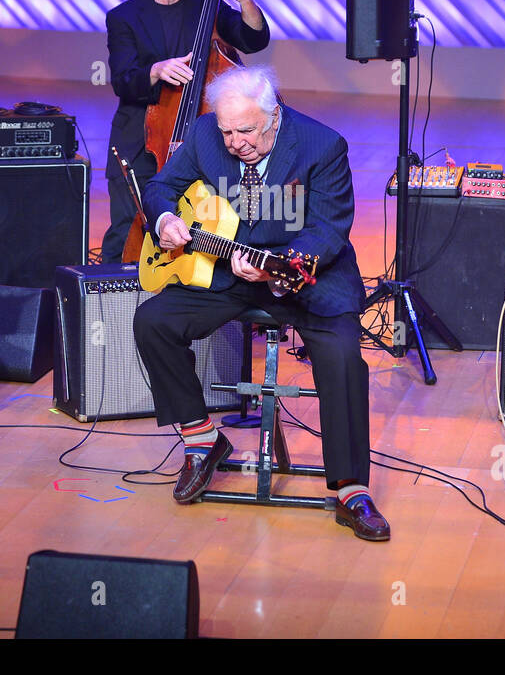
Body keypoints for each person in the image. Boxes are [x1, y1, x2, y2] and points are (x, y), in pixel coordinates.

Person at [132, 65, 388, 541]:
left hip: (306, 276)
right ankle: (201, 439)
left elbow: (327, 230)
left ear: (275, 116)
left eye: (246, 131)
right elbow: (159, 187)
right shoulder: (206, 133)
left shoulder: (321, 145)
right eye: (227, 131)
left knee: (342, 358)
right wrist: (165, 218)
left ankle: (352, 488)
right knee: (153, 321)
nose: (234, 142)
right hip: (231, 266)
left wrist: (280, 266)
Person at [102, 0, 269, 262]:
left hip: (196, 138)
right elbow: (123, 79)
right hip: (140, 143)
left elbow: (253, 39)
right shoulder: (124, 17)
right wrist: (156, 70)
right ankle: (115, 309)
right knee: (128, 230)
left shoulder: (204, 4)